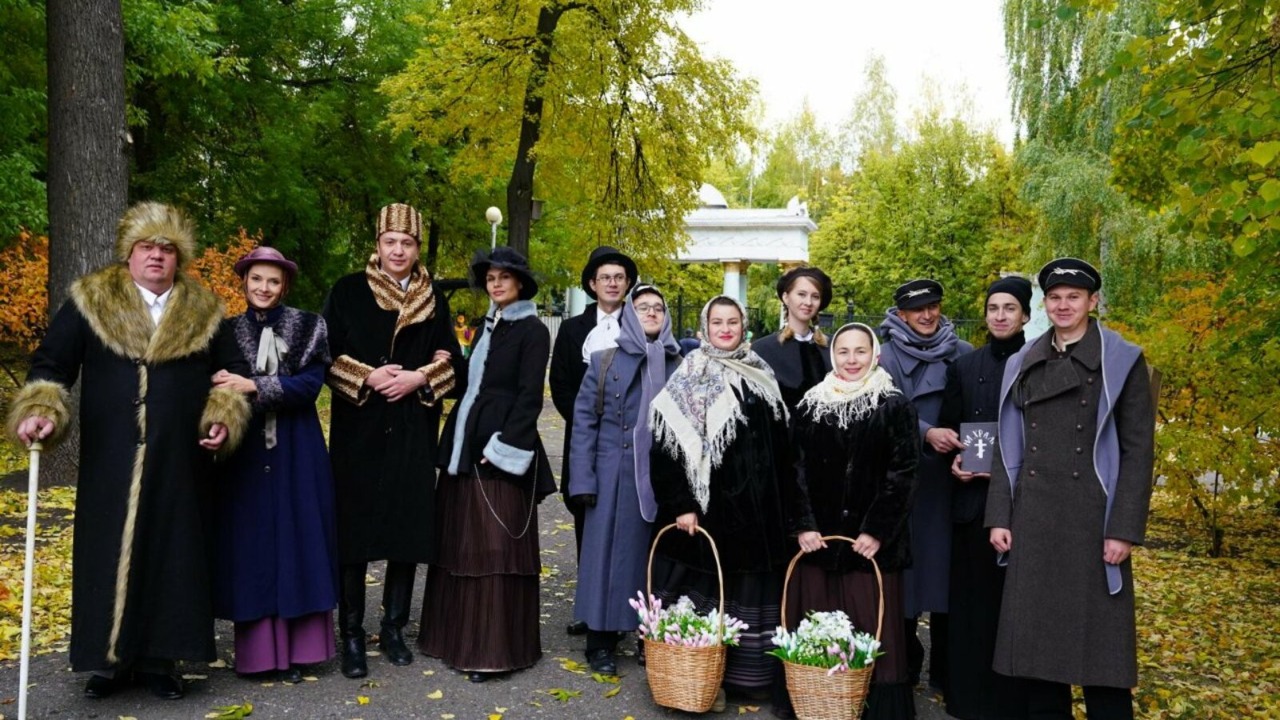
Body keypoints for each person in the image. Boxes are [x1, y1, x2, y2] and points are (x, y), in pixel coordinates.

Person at [7, 201, 251, 700]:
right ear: (130, 253)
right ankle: (109, 661)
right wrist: (42, 410)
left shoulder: (204, 310)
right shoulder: (90, 301)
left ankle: (163, 661)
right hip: (110, 458)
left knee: (173, 552)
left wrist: (221, 419)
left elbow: (229, 377)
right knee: (106, 552)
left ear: (178, 257)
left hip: (180, 460)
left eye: (166, 248)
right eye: (147, 247)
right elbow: (52, 365)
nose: (156, 256)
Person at [986, 258, 1154, 719]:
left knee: (1103, 661)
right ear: (1045, 303)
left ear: (1092, 302)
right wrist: (1000, 514)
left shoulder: (1123, 360)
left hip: (1094, 520)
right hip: (1034, 517)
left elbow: (1140, 451)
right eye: (1055, 297)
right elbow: (1007, 442)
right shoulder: (1025, 360)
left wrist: (1123, 529)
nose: (1063, 305)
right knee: (1040, 661)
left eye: (1073, 297)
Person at [322, 202, 463, 679]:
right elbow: (325, 356)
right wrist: (370, 375)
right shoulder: (346, 291)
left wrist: (420, 377)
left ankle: (396, 628)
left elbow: (454, 366)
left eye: (407, 243)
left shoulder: (434, 298)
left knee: (406, 534)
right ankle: (353, 635)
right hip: (358, 435)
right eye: (390, 242)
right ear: (377, 245)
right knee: (354, 539)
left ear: (417, 248)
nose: (398, 250)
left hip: (410, 434)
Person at [419, 246, 556, 682]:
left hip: (497, 452)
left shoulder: (533, 330)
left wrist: (500, 448)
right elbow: (471, 383)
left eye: (504, 277)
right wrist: (439, 372)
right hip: (464, 448)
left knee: (495, 551)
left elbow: (529, 397)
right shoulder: (487, 326)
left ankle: (493, 649)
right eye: (491, 278)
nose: (496, 284)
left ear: (520, 283)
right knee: (460, 544)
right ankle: (452, 639)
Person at [649, 295, 793, 709]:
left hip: (760, 513)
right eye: (718, 322)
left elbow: (779, 444)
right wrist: (681, 504)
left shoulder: (761, 372)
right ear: (705, 328)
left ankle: (751, 680)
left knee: (753, 591)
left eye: (733, 322)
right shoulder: (690, 373)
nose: (726, 329)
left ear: (743, 326)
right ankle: (702, 680)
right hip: (710, 513)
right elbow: (667, 447)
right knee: (712, 589)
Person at [209, 247, 338, 683]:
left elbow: (310, 385)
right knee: (254, 545)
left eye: (273, 281)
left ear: (285, 285)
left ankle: (302, 651)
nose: (263, 288)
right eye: (256, 279)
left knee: (298, 539)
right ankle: (260, 655)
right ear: (244, 282)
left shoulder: (308, 326)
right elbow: (218, 384)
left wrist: (255, 385)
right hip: (246, 452)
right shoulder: (227, 332)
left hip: (297, 449)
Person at [788, 322, 919, 719]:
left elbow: (905, 473)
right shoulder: (810, 404)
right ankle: (821, 702)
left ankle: (872, 706)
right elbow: (793, 469)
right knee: (819, 624)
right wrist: (804, 524)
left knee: (872, 627)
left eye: (860, 351)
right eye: (843, 351)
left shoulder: (894, 405)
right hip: (819, 542)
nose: (851, 360)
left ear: (874, 354)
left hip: (870, 545)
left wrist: (876, 530)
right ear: (833, 355)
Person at [568, 284, 682, 675]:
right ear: (629, 315)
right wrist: (583, 480)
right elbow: (584, 424)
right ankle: (600, 640)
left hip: (664, 479)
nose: (651, 313)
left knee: (654, 559)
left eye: (658, 308)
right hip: (613, 476)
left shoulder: (679, 364)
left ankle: (648, 636)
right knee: (607, 559)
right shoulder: (604, 360)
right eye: (642, 307)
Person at [937, 276, 1032, 719]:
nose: (999, 316)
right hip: (973, 503)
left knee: (1015, 607)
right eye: (993, 308)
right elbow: (952, 427)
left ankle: (1013, 700)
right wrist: (956, 460)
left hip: (1027, 506)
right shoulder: (964, 366)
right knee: (971, 606)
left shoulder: (1042, 363)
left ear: (1026, 315)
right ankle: (967, 699)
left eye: (1009, 308)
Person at [877, 278, 973, 690]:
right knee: (907, 578)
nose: (928, 315)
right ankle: (906, 663)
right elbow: (879, 404)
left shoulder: (964, 352)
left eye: (933, 306)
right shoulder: (882, 356)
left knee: (948, 575)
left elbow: (979, 410)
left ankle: (947, 670)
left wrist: (971, 450)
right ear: (901, 314)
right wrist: (925, 433)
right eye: (918, 309)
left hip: (952, 481)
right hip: (902, 482)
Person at [549, 245, 637, 636]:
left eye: (619, 278)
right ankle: (589, 607)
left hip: (628, 444)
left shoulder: (640, 324)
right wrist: (589, 424)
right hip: (586, 440)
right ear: (592, 284)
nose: (613, 283)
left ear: (628, 284)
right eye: (605, 278)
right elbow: (562, 384)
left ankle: (624, 609)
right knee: (587, 518)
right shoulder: (572, 329)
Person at [752, 266, 834, 412]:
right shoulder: (762, 350)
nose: (808, 302)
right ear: (786, 297)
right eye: (801, 294)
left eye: (815, 296)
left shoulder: (833, 348)